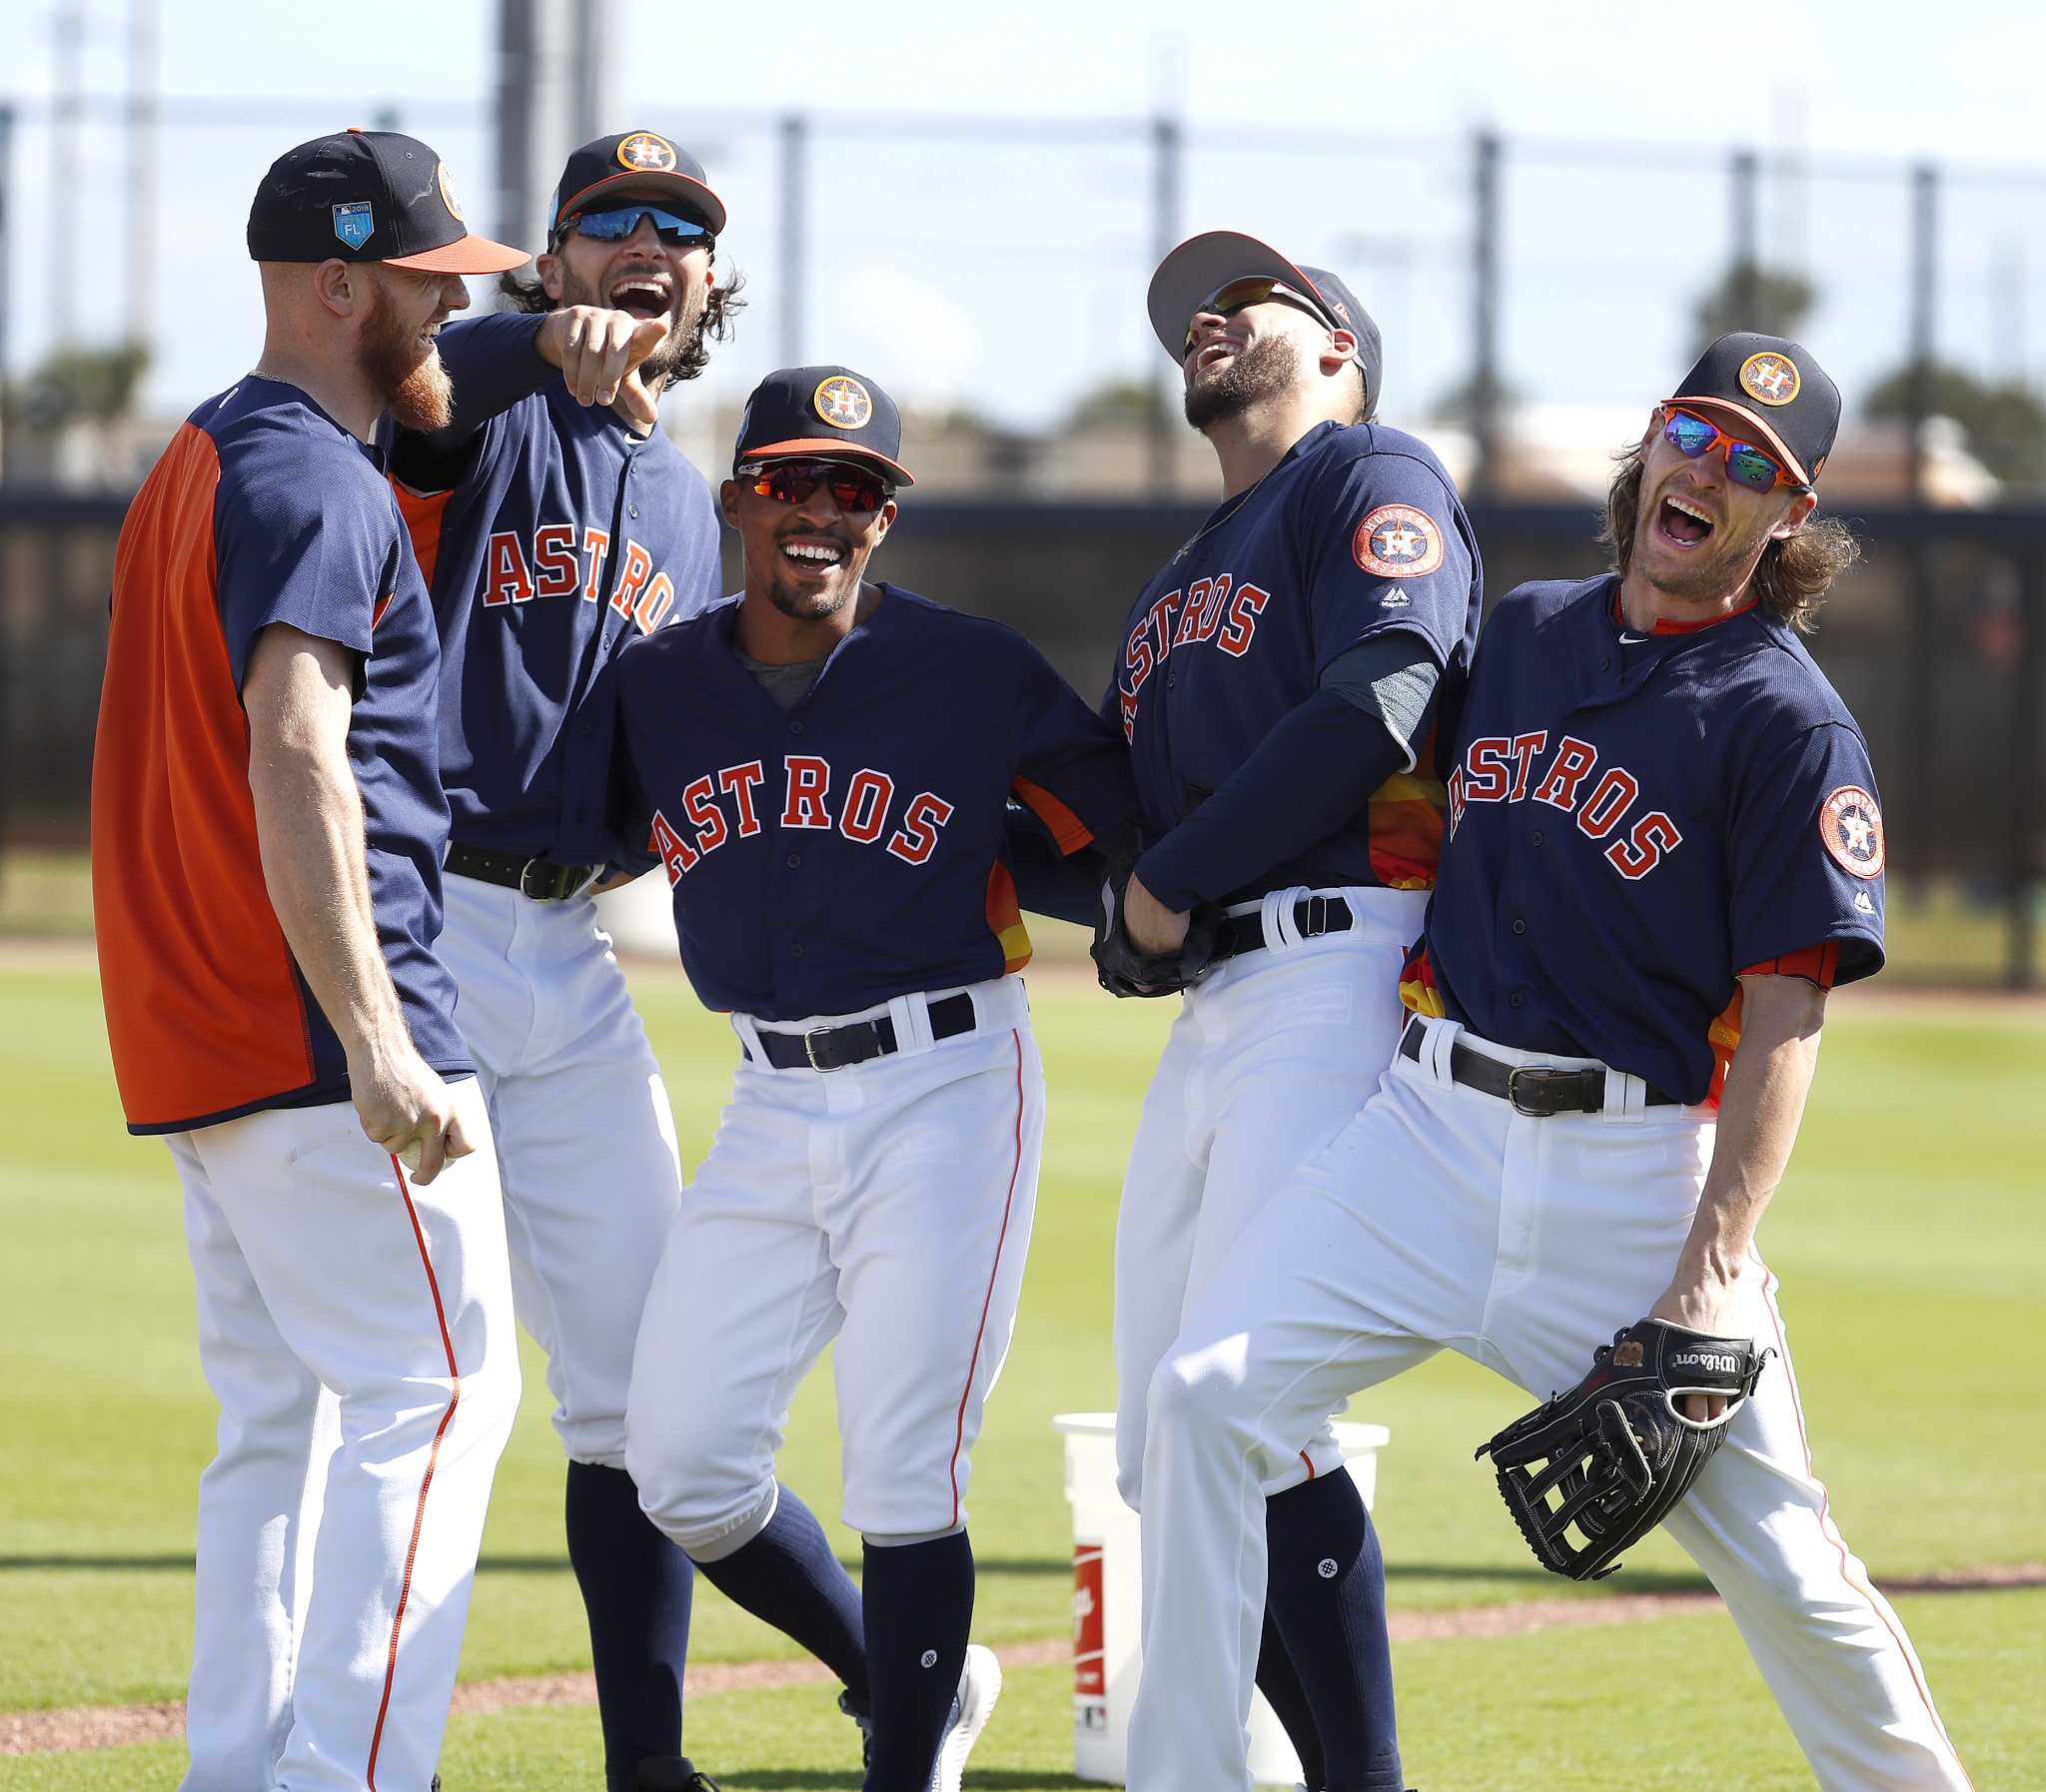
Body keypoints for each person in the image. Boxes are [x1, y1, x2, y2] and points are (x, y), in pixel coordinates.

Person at [1128, 334, 1974, 1792]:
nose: (1707, 472)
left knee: (1787, 1566)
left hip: (1632, 1183)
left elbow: (1786, 1021)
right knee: (1206, 1399)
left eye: (1752, 467)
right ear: (1647, 449)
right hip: (1426, 1133)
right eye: (1693, 436)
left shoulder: (1789, 725)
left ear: (1789, 522)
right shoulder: (1521, 633)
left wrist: (1713, 1262)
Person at [386, 131, 869, 1792]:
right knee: (423, 1382)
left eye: (683, 231)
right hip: (424, 920)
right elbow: (410, 388)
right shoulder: (483, 396)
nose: (651, 245)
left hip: (574, 948)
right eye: (614, 224)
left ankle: (674, 1756)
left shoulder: (685, 488)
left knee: (642, 1402)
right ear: (555, 253)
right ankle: (367, 1749)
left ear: (710, 286)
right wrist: (521, 335)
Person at [598, 367, 1138, 1792]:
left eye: (859, 489)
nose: (825, 511)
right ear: (737, 501)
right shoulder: (660, 685)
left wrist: (1144, 908)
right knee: (683, 1462)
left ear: (887, 521)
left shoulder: (969, 669)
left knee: (905, 1468)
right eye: (792, 481)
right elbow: (569, 832)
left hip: (948, 1081)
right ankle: (933, 1681)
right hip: (769, 1094)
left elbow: (1125, 830)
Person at [90, 129, 528, 1792]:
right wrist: (379, 1040)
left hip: (205, 1037)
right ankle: (345, 1775)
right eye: (424, 281)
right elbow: (295, 751)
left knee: (275, 1430)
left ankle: (240, 1767)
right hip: (315, 1034)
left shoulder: (201, 456)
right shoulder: (315, 477)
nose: (444, 307)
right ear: (335, 282)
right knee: (438, 1401)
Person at [1096, 232, 1481, 1792]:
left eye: (1251, 296)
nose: (1210, 312)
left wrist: (1165, 878)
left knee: (1240, 1404)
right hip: (1223, 1001)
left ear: (1338, 347)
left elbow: (1379, 700)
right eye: (1195, 301)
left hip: (1342, 955)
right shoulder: (1182, 578)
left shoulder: (1366, 474)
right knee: (1157, 1440)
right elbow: (1122, 833)